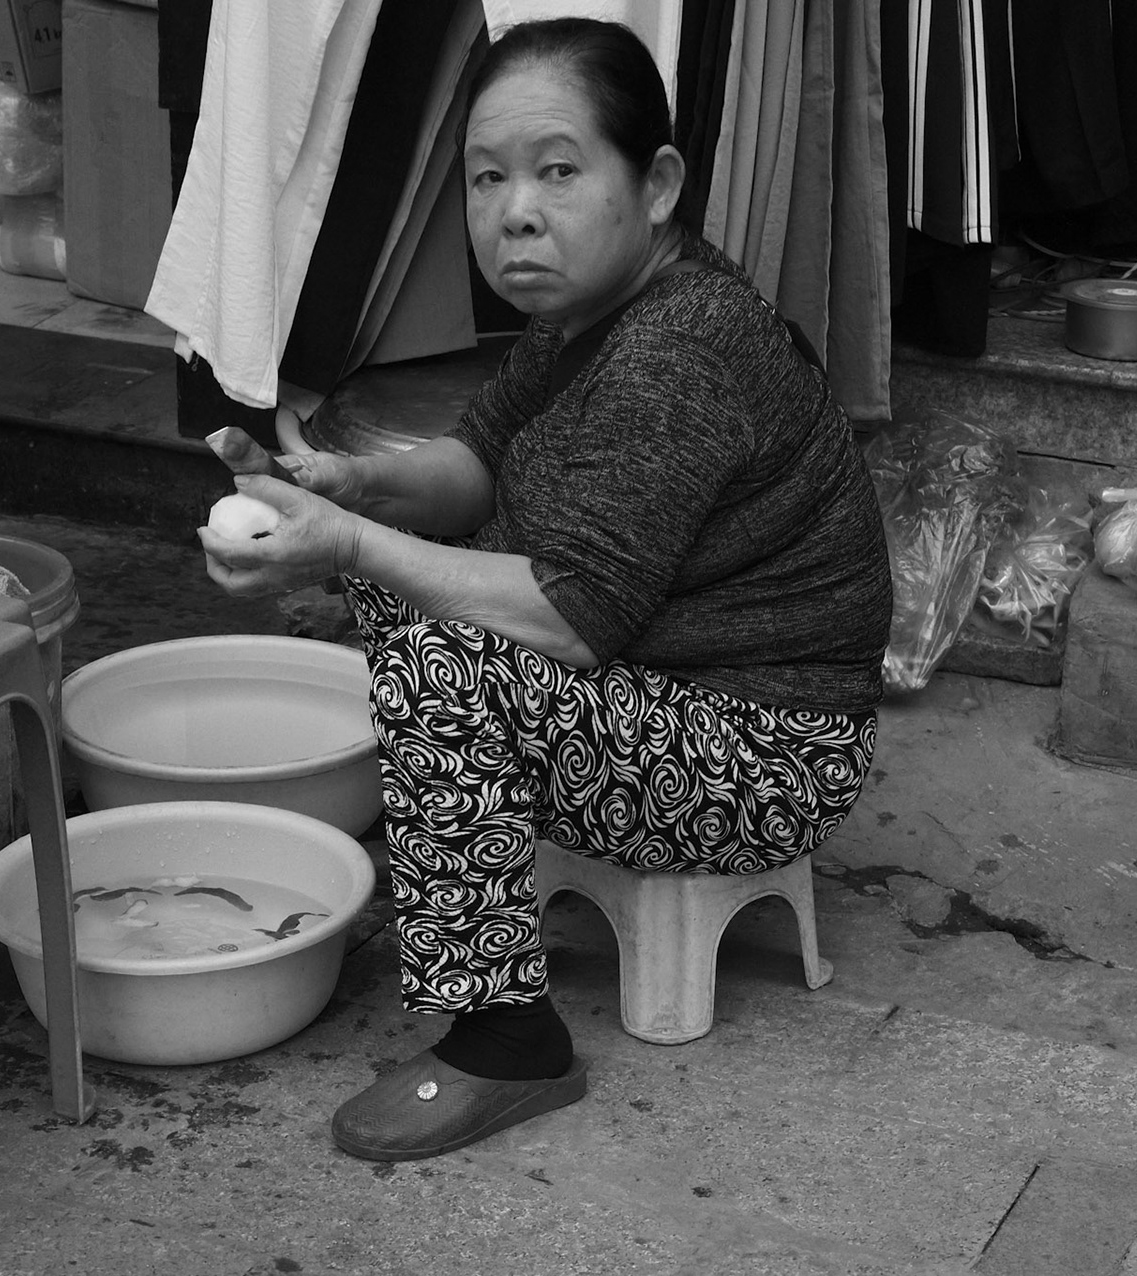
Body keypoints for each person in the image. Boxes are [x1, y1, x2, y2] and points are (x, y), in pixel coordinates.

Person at [198, 17, 891, 1163]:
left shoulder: (678, 348)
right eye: (488, 178)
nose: (515, 209)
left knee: (440, 646)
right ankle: (454, 853)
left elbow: (572, 616)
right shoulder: (585, 314)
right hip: (665, 696)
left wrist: (349, 544)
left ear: (656, 182)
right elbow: (470, 468)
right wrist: (344, 486)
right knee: (402, 584)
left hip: (767, 755)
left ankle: (506, 1040)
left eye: (559, 170)